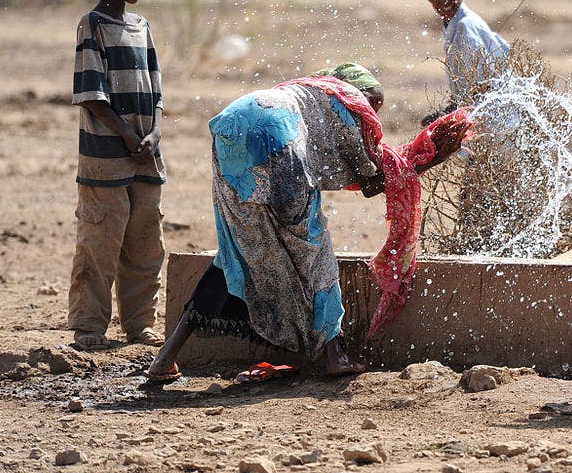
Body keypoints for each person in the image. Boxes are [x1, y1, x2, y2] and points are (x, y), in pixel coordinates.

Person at [146, 63, 471, 382]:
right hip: (278, 140)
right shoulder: (350, 103)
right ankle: (336, 355)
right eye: (374, 102)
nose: (374, 113)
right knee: (314, 248)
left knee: (235, 250)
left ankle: (165, 359)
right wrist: (428, 156)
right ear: (359, 92)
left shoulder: (307, 93)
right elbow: (372, 182)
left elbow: (367, 173)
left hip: (232, 127)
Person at [69, 0, 166, 351]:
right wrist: (128, 136)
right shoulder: (92, 25)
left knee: (145, 243)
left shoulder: (141, 27)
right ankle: (89, 327)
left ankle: (140, 324)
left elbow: (156, 90)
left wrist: (154, 133)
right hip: (106, 157)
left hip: (146, 155)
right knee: (100, 242)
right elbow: (92, 93)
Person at [421, 0, 510, 125]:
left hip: (496, 114)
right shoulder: (453, 23)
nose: (444, 0)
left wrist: (449, 114)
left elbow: (480, 88)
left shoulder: (465, 27)